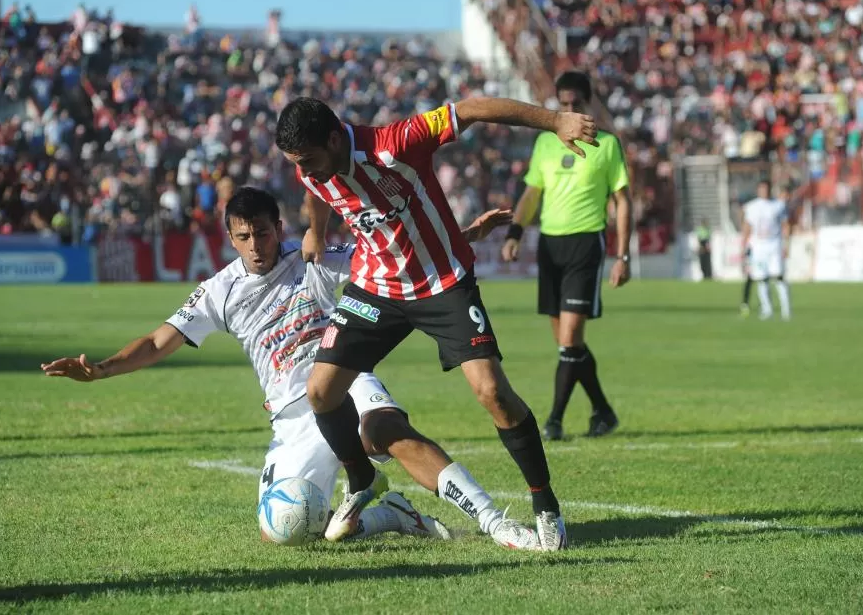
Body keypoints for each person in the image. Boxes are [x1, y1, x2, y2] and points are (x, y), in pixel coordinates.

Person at [41, 187, 541, 550]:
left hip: (340, 377)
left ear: (279, 228)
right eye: (244, 236)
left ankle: (496, 522)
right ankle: (390, 515)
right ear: (231, 240)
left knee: (384, 428)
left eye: (262, 232)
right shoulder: (219, 291)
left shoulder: (314, 257)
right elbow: (157, 340)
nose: (256, 244)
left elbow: (394, 257)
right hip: (291, 417)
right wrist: (100, 370)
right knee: (281, 529)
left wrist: (467, 234)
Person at [275, 95, 599, 550]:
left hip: (443, 282)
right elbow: (316, 189)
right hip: (376, 289)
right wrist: (317, 230)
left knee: (493, 393)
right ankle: (362, 478)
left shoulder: (396, 143)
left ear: (334, 139)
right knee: (321, 391)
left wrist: (555, 121)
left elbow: (472, 108)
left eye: (308, 160)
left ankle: (545, 505)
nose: (305, 171)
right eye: (297, 163)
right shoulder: (312, 168)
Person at [500, 71, 629, 442]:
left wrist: (623, 256)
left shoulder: (607, 145)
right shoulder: (545, 143)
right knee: (566, 344)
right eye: (564, 103)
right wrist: (515, 231)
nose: (570, 110)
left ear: (589, 105)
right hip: (550, 246)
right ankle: (603, 412)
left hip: (586, 243)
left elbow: (623, 201)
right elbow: (531, 192)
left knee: (571, 338)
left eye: (577, 104)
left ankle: (554, 420)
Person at [741, 181, 791, 320]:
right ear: (758, 190)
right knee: (761, 278)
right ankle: (767, 309)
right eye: (762, 189)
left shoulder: (778, 205)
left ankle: (786, 310)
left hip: (774, 245)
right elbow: (747, 227)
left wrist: (786, 244)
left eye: (766, 189)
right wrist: (743, 246)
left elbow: (785, 225)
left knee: (779, 276)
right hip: (758, 248)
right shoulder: (752, 207)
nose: (764, 191)